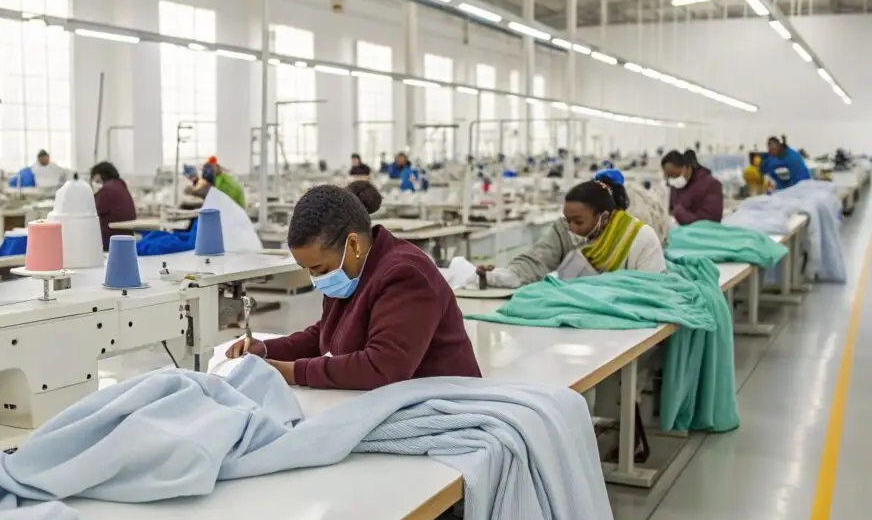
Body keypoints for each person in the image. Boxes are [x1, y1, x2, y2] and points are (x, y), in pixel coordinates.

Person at [225, 180, 481, 389]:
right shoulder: (353, 269)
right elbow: (326, 333)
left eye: (319, 269)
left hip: (447, 400)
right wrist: (268, 349)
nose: (316, 279)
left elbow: (382, 366)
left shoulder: (405, 274)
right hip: (403, 396)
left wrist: (288, 372)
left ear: (354, 244)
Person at [476, 172, 665, 287]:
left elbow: (649, 291)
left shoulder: (639, 238)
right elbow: (537, 259)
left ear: (603, 217)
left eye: (579, 222)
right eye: (568, 220)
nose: (572, 228)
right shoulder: (565, 231)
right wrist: (501, 276)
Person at [662, 149, 724, 224]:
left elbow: (711, 223)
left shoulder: (711, 185)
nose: (672, 180)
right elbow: (671, 211)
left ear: (687, 167)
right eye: (668, 176)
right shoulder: (675, 187)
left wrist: (679, 214)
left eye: (675, 175)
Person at [90, 161, 136, 250]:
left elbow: (92, 209)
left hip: (110, 239)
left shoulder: (107, 189)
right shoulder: (120, 186)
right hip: (126, 236)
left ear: (99, 176)